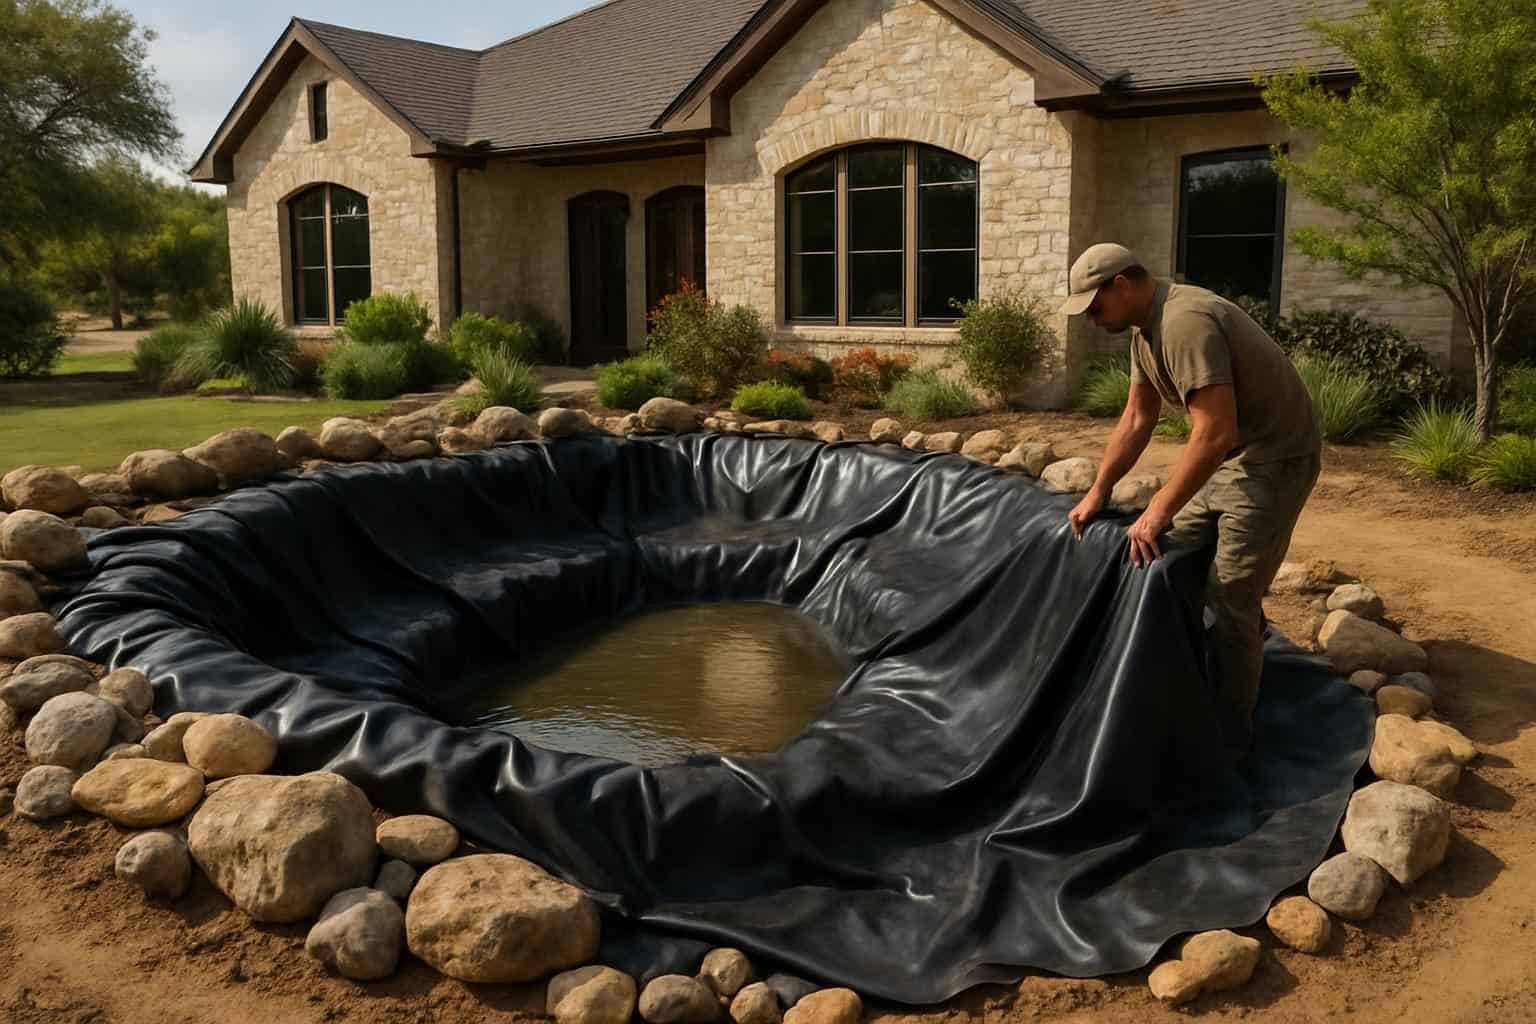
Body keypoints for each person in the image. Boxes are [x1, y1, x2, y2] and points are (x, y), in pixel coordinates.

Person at [1059, 242, 1322, 757]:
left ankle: (1229, 742)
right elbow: (1137, 419)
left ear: (1123, 285)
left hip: (1274, 461)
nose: (1091, 318)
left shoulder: (1185, 322)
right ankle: (1203, 680)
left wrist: (1157, 510)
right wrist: (1098, 491)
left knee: (1230, 602)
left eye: (1095, 306)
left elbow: (1214, 431)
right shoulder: (1144, 333)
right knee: (1170, 560)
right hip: (1232, 459)